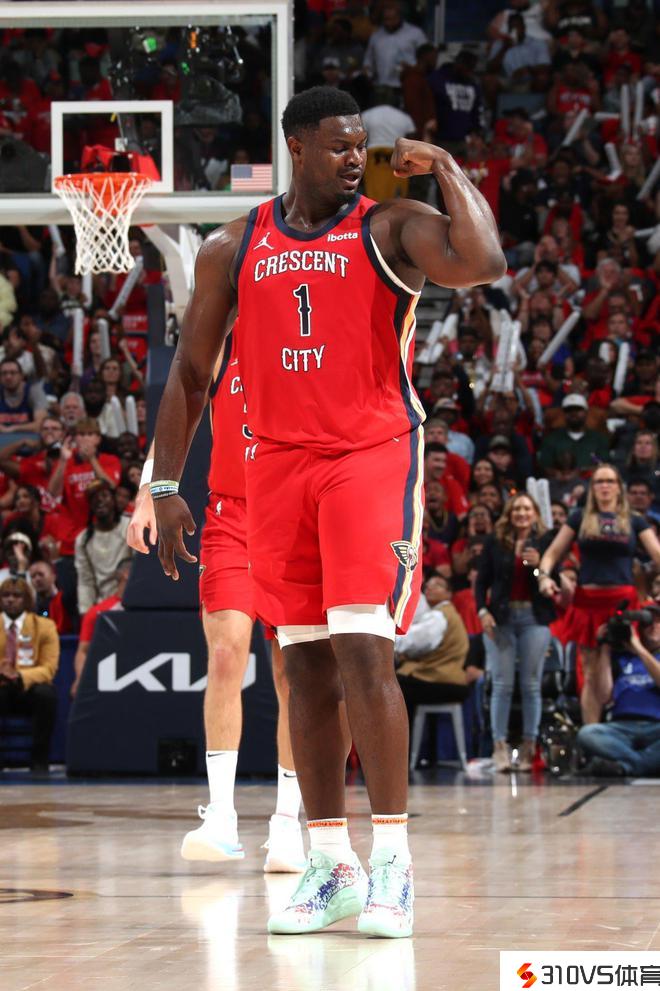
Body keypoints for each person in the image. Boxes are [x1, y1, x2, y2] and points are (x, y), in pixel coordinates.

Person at [151, 86, 505, 939]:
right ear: (297, 148)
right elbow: (192, 374)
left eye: (361, 145)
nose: (356, 158)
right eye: (340, 146)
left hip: (368, 458)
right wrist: (165, 486)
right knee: (303, 666)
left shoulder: (391, 225)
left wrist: (444, 166)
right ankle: (330, 862)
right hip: (275, 465)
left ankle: (394, 864)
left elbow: (484, 260)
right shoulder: (236, 245)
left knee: (362, 649)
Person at [128, 329, 310, 874]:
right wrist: (150, 489)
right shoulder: (224, 341)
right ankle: (222, 816)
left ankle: (287, 822)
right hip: (231, 517)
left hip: (294, 517)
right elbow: (179, 412)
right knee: (227, 653)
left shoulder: (306, 337)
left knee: (292, 672)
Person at [538, 465, 660, 724]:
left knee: (628, 661)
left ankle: (631, 721)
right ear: (592, 488)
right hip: (588, 602)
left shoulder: (634, 519)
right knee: (590, 671)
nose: (605, 486)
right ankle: (590, 735)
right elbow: (551, 554)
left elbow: (658, 555)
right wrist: (544, 576)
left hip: (623, 600)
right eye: (599, 482)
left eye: (610, 481)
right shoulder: (579, 518)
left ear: (619, 487)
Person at [476, 493, 556, 772]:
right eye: (517, 509)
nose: (522, 513)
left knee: (531, 685)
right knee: (502, 684)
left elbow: (554, 579)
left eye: (527, 508)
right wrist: (482, 612)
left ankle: (529, 747)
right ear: (509, 514)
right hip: (501, 617)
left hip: (534, 617)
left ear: (535, 513)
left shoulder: (547, 542)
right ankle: (499, 746)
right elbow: (481, 582)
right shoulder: (495, 542)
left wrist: (538, 567)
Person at [576, 606, 660, 778]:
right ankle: (641, 764)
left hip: (656, 727)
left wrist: (638, 648)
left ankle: (625, 766)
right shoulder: (621, 657)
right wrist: (606, 648)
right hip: (621, 728)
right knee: (587, 734)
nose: (654, 626)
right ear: (639, 628)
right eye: (648, 623)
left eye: (659, 622)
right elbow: (604, 696)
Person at [0, 576, 59, 773]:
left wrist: (18, 676)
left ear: (26, 599)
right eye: (6, 595)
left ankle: (39, 760)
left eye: (16, 595)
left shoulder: (45, 626)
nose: (10, 599)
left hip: (28, 687)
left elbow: (49, 668)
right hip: (1, 686)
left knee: (46, 694)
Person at [74, 481, 132, 615]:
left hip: (129, 600)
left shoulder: (130, 527)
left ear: (113, 499)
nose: (99, 501)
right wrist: (86, 613)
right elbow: (85, 580)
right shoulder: (83, 540)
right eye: (94, 498)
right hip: (102, 606)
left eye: (104, 495)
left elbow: (138, 569)